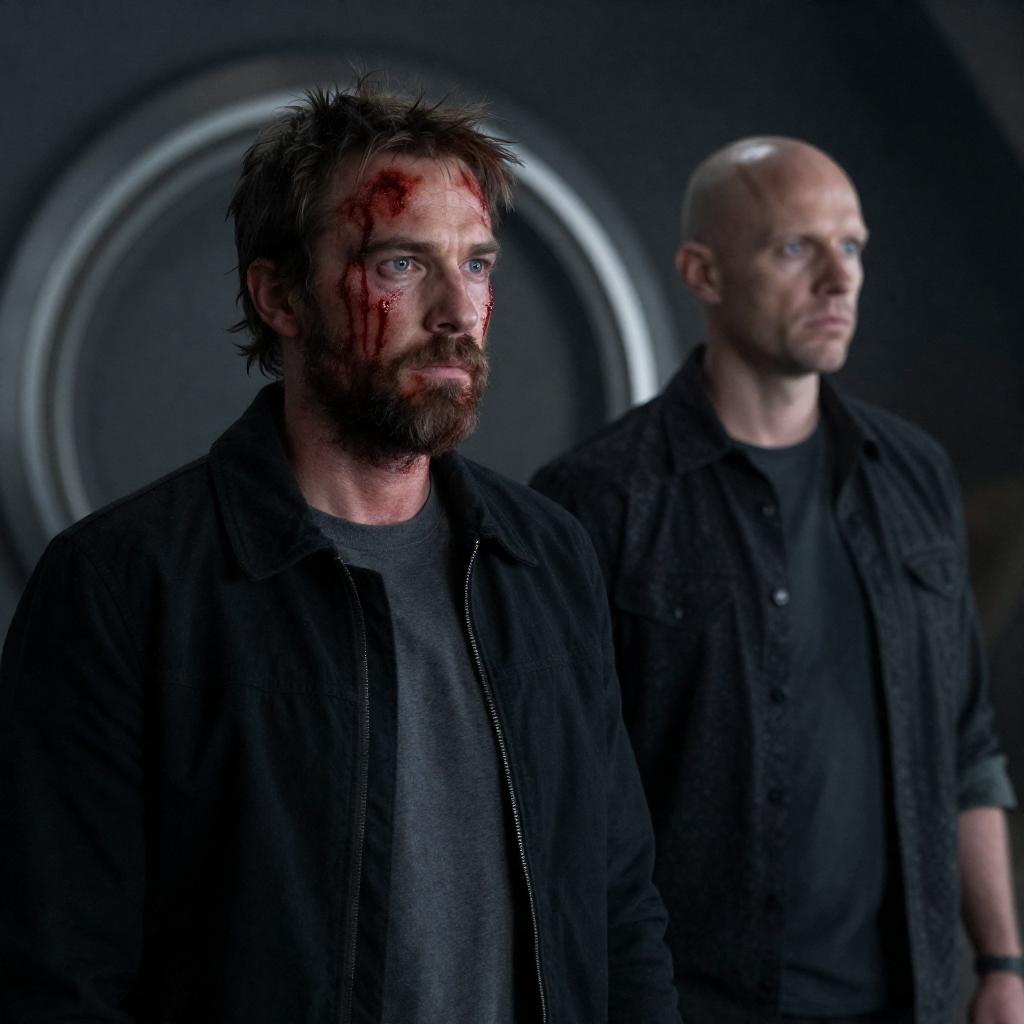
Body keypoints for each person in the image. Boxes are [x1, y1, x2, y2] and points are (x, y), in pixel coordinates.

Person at [0, 81, 680, 1024]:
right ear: (280, 295)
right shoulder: (120, 584)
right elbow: (57, 973)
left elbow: (620, 908)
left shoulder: (548, 559)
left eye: (477, 264)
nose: (457, 310)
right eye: (401, 263)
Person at [532, 136, 1024, 1024]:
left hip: (907, 1001)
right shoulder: (597, 500)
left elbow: (966, 747)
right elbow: (558, 802)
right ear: (704, 273)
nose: (839, 280)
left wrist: (1002, 964)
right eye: (796, 247)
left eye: (852, 246)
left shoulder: (913, 475)